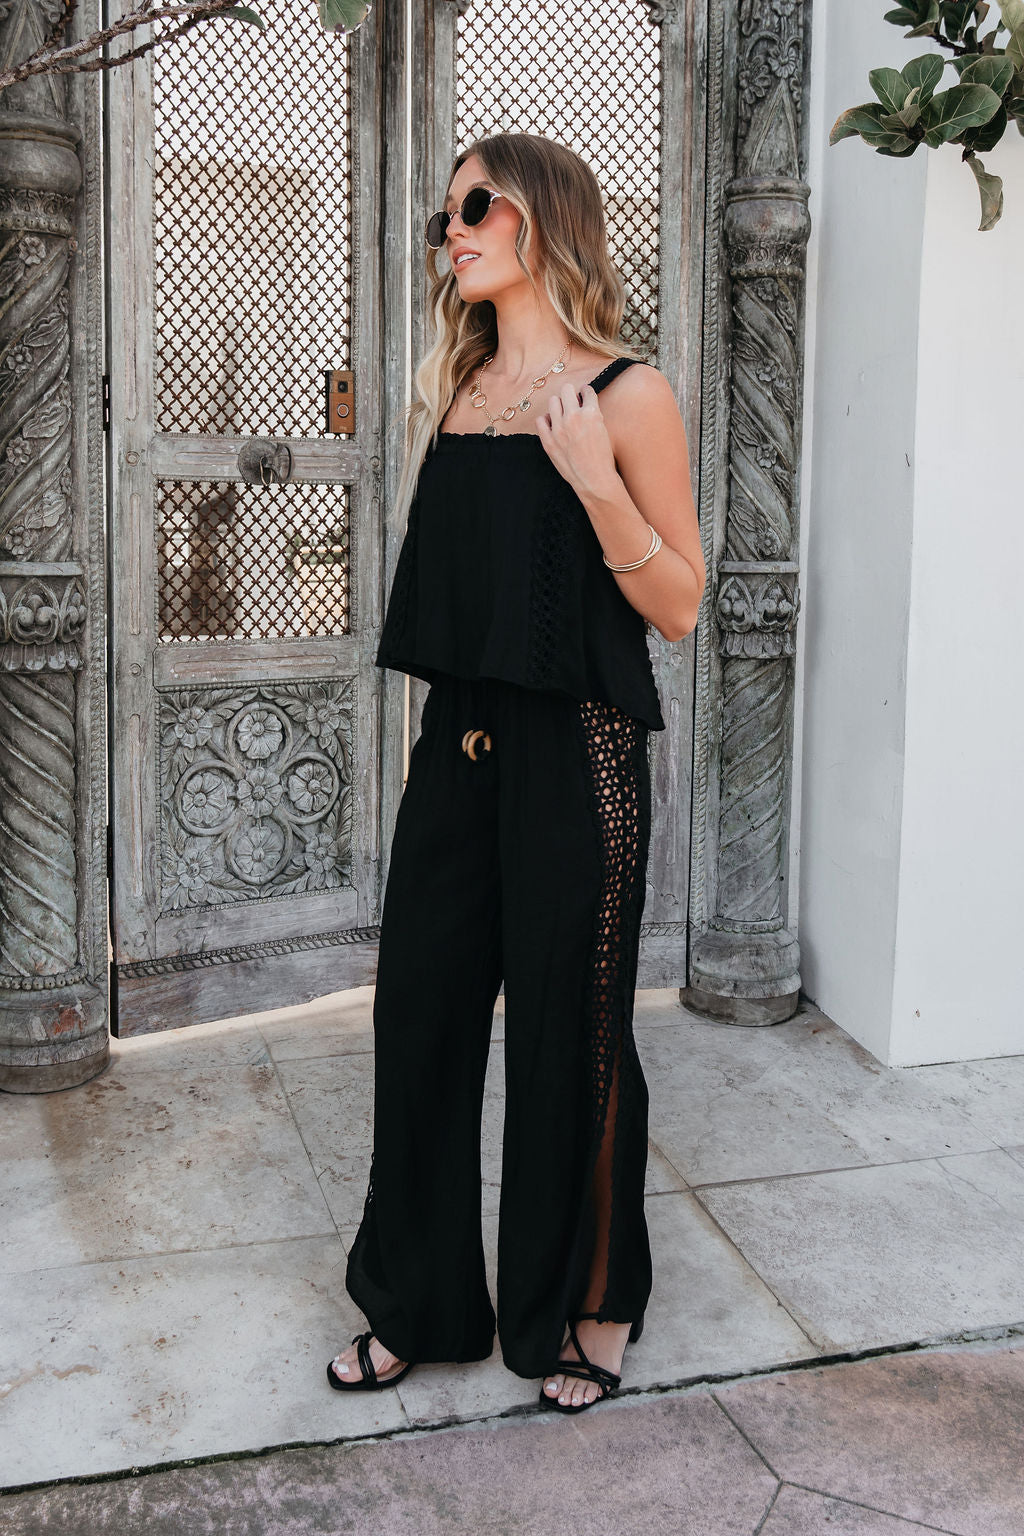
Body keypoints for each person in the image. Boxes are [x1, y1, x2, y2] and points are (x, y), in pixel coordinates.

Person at [328, 132, 704, 1413]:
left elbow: (682, 605)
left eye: (475, 206)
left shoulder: (628, 391)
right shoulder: (462, 386)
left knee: (572, 1031)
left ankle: (588, 1300)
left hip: (579, 750)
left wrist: (600, 485)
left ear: (540, 219)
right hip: (461, 749)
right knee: (419, 1021)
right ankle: (421, 1303)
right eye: (448, 214)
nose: (455, 230)